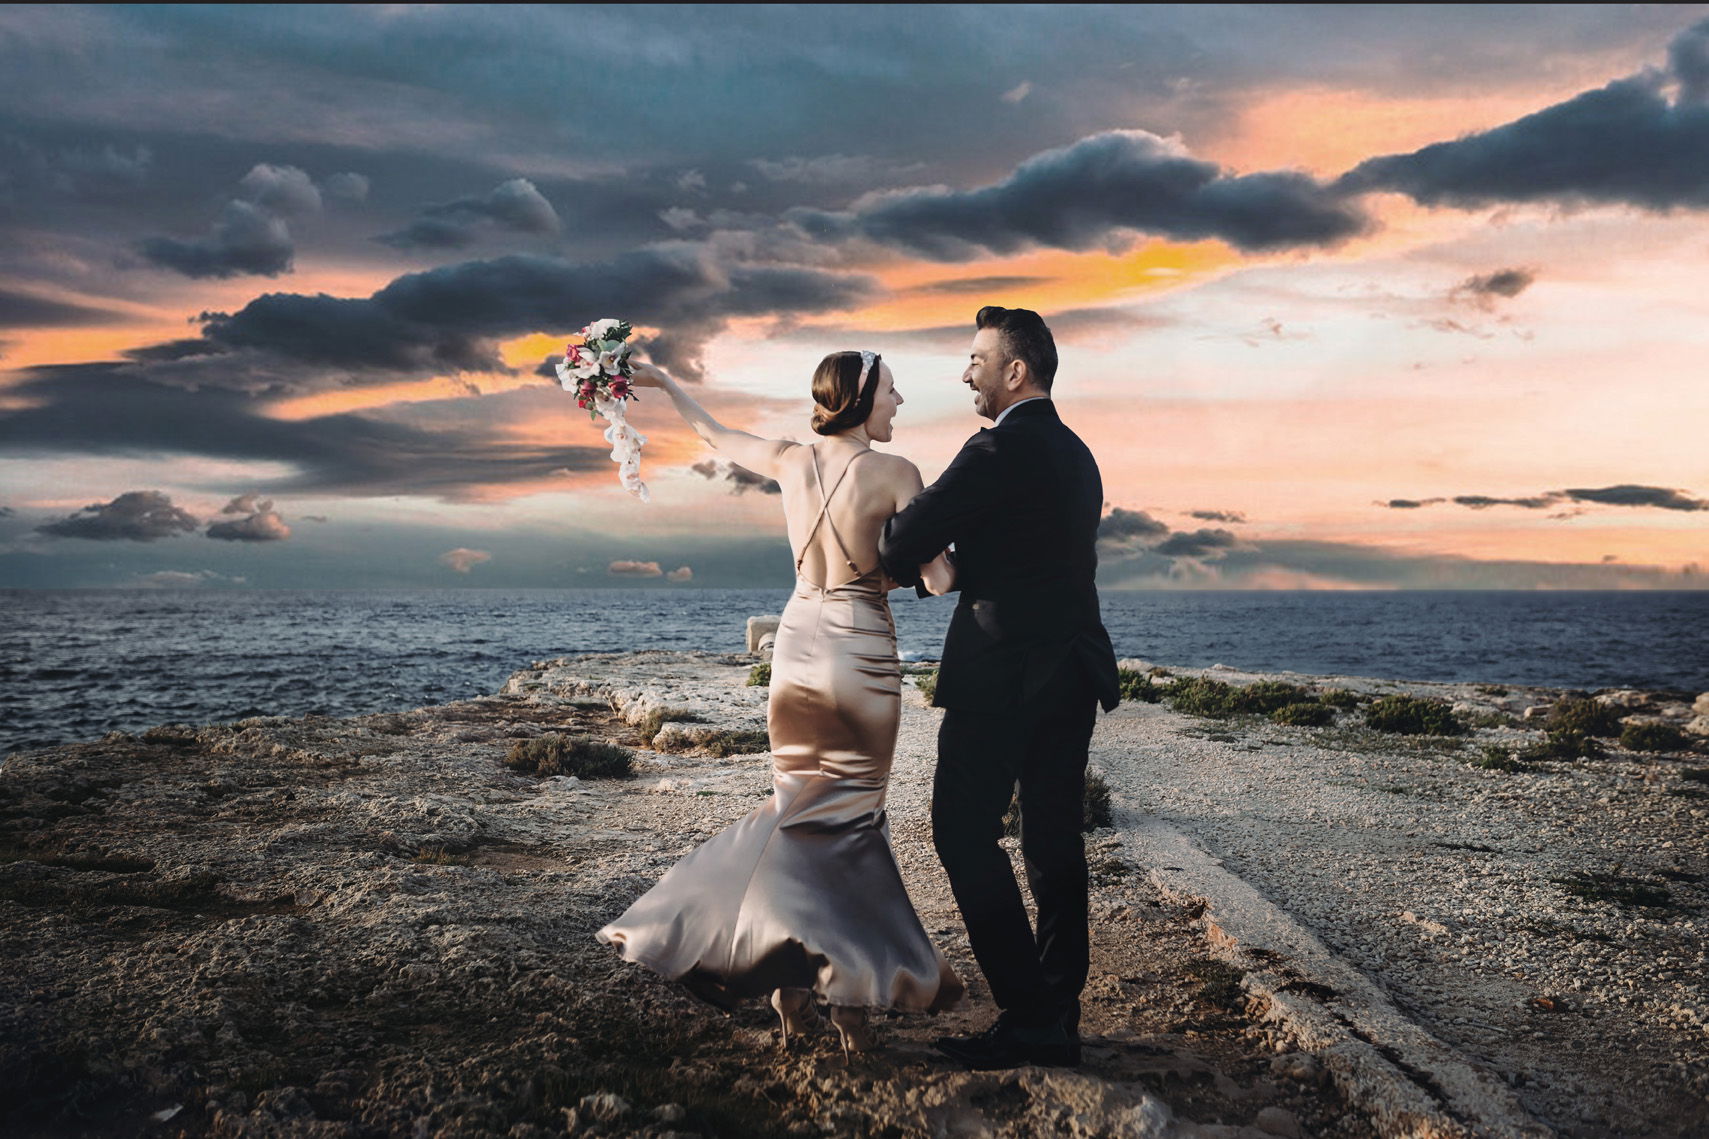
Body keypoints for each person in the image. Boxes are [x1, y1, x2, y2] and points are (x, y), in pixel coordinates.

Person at [597, 350, 964, 1060]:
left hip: (795, 646)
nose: (897, 402)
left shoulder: (791, 460)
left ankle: (790, 990)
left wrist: (667, 382)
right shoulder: (897, 474)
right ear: (859, 400)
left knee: (796, 811)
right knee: (852, 821)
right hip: (858, 650)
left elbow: (712, 436)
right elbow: (941, 580)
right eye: (889, 391)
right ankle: (850, 997)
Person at [877, 306, 1120, 1070]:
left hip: (1002, 670)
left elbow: (902, 540)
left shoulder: (991, 451)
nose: (965, 372)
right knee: (1052, 840)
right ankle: (1058, 1011)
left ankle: (1028, 1012)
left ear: (1015, 370)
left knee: (959, 830)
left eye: (976, 358)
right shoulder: (1080, 456)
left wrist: (939, 560)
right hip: (1075, 668)